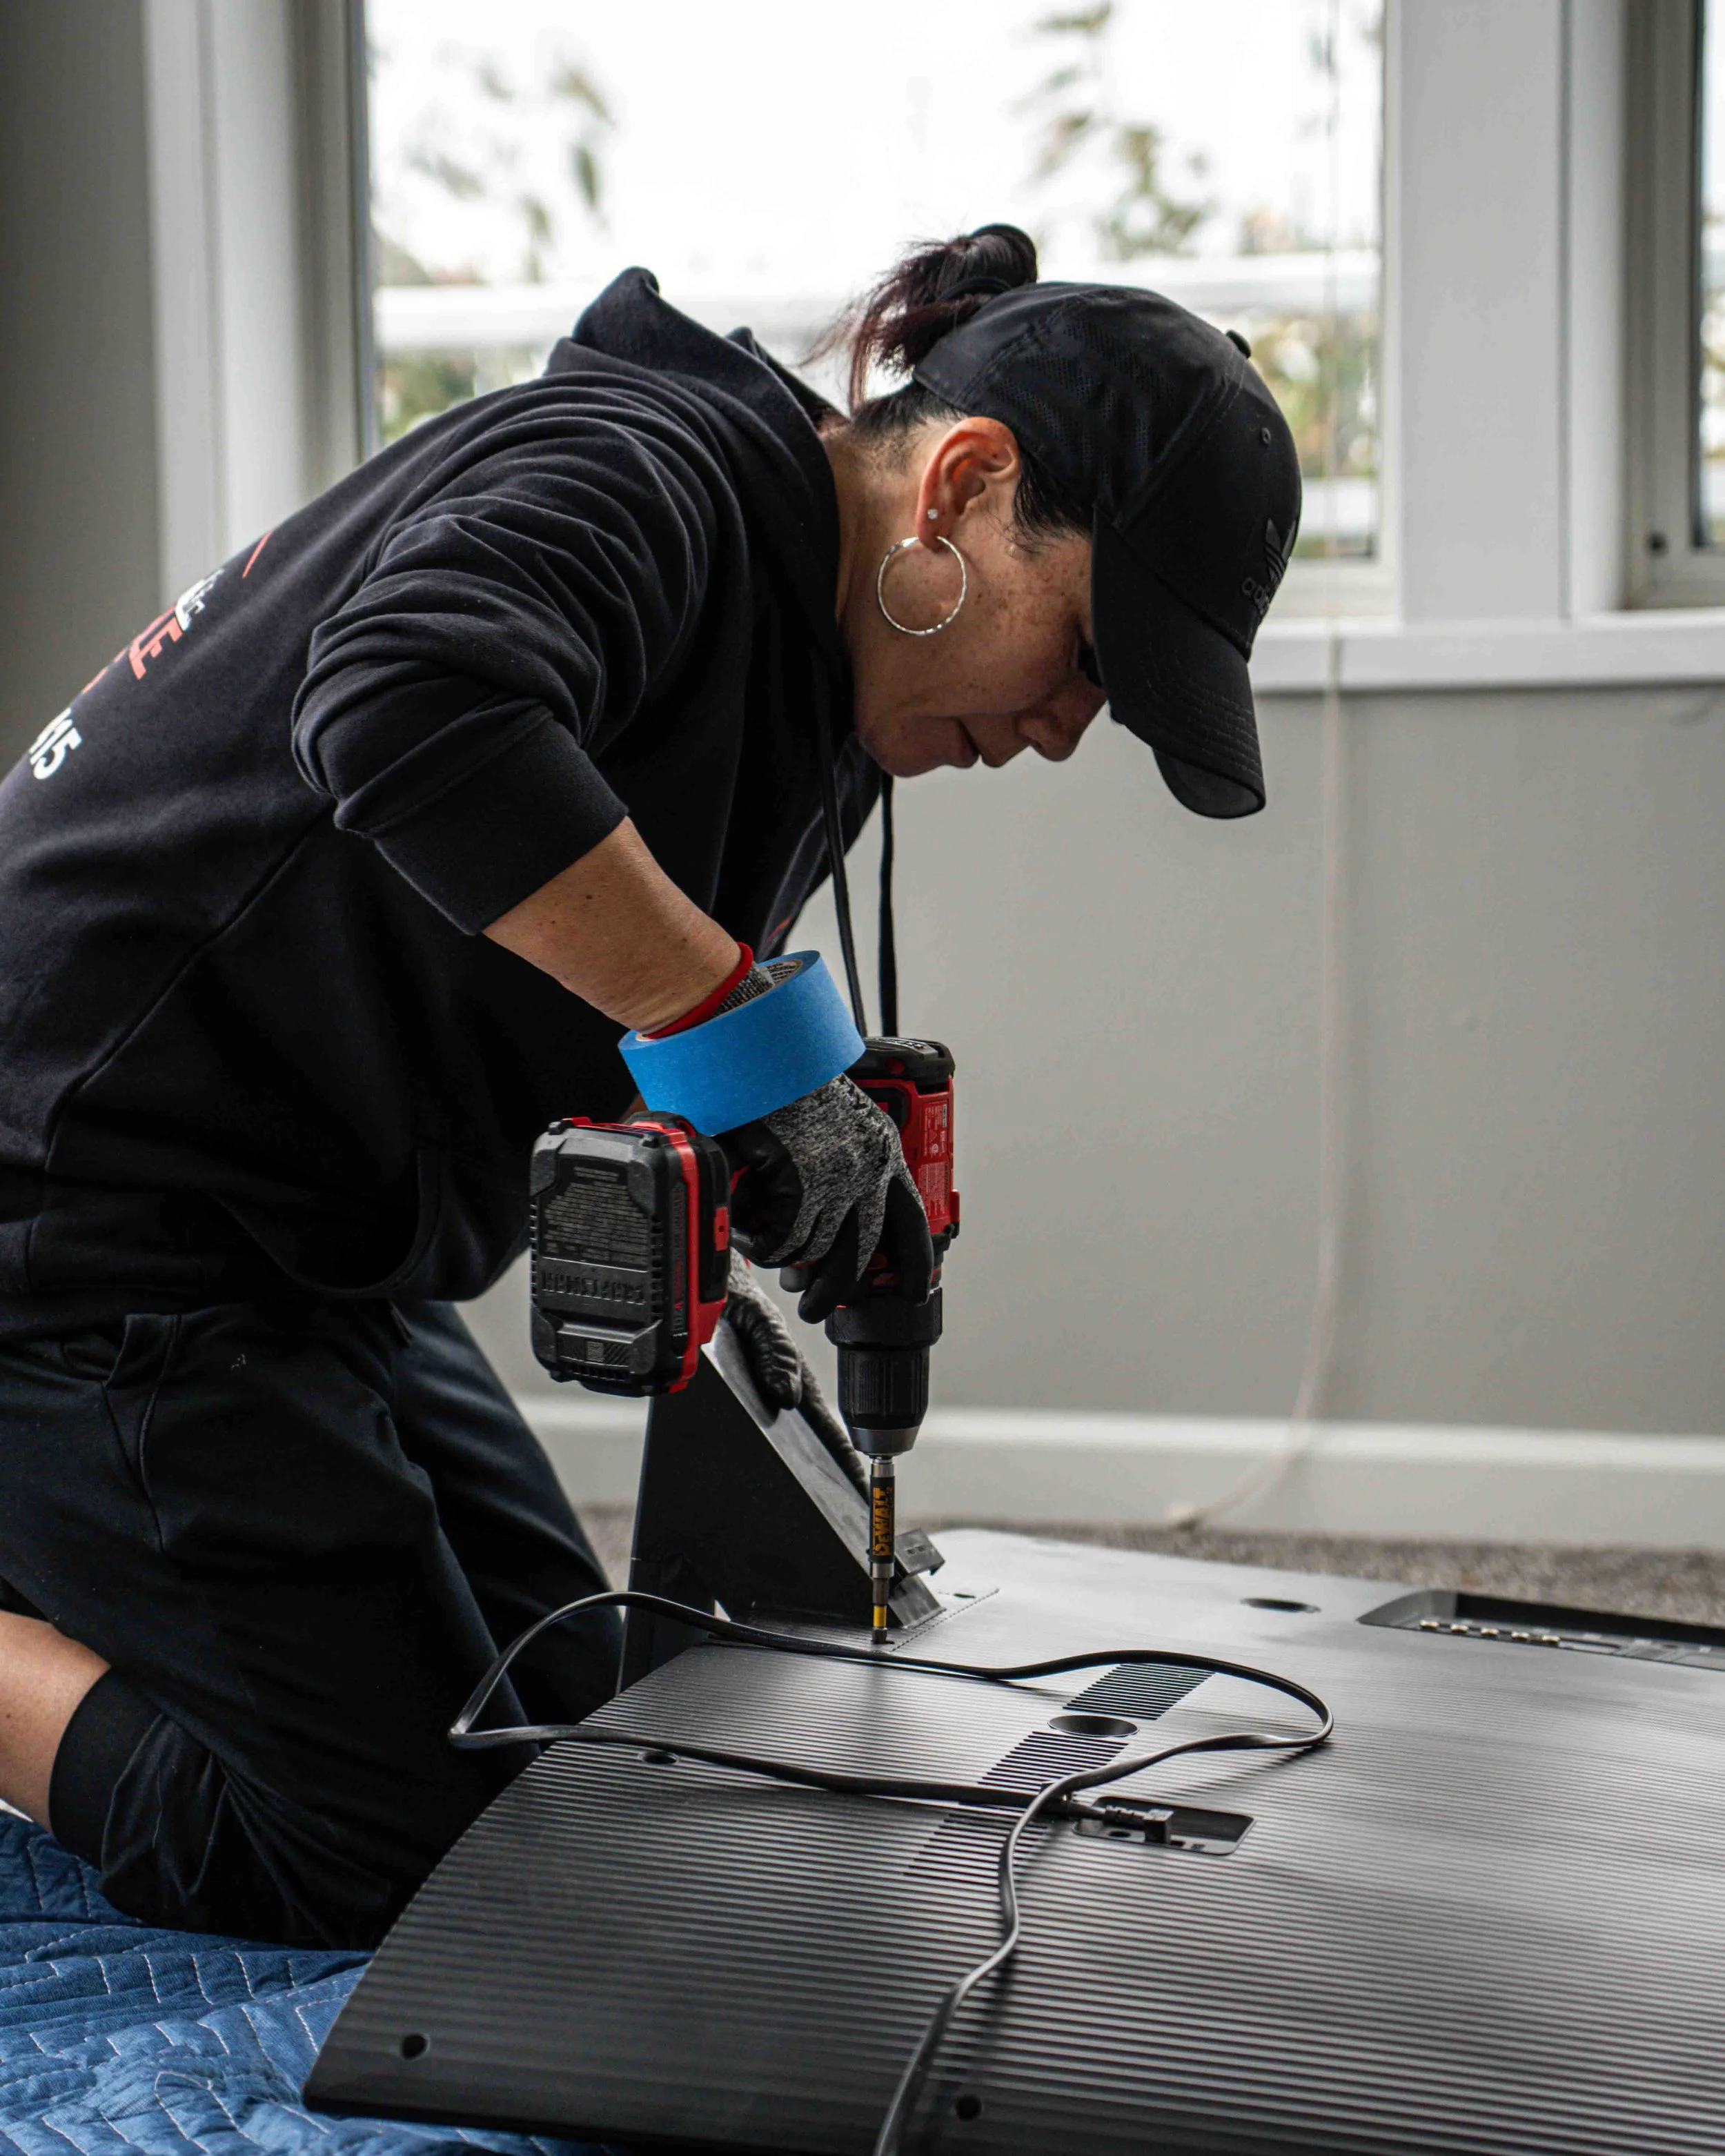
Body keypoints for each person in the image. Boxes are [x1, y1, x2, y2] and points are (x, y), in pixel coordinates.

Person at [0, 224, 1300, 1947]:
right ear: (963, 488)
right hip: (80, 1213)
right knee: (379, 1845)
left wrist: (779, 1123)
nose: (1067, 725)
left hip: (315, 1239)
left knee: (575, 1720)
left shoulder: (817, 674)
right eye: (1086, 655)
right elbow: (399, 705)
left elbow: (604, 948)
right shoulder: (643, 470)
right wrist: (746, 1047)